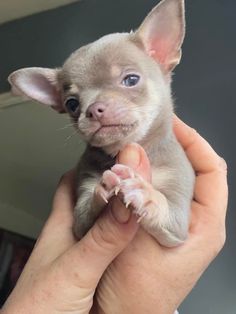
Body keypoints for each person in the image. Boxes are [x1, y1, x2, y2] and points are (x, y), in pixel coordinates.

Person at [1, 117, 228, 314]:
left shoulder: (178, 163)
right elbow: (81, 225)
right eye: (74, 103)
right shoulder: (90, 167)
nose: (97, 107)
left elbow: (176, 230)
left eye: (130, 80)